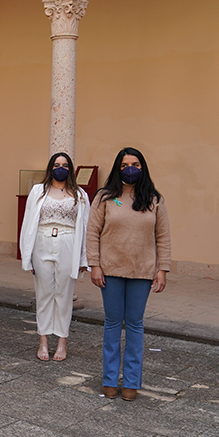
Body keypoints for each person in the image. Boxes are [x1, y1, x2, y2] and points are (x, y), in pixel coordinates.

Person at [87, 147, 170, 401]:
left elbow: (163, 236)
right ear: (117, 168)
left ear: (142, 167)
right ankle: (110, 380)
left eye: (134, 164)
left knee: (135, 325)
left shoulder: (154, 199)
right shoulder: (104, 197)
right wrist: (95, 265)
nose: (130, 169)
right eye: (124, 165)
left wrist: (162, 269)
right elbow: (92, 233)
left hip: (142, 272)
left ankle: (132, 382)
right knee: (112, 324)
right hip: (110, 271)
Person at [19, 152, 89, 362]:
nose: (61, 168)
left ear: (71, 169)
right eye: (57, 164)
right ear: (50, 168)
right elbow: (28, 223)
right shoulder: (37, 191)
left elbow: (86, 226)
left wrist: (84, 259)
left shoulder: (80, 194)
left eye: (65, 165)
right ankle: (43, 341)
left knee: (64, 294)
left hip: (69, 242)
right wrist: (27, 255)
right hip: (42, 241)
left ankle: (61, 342)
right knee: (44, 292)